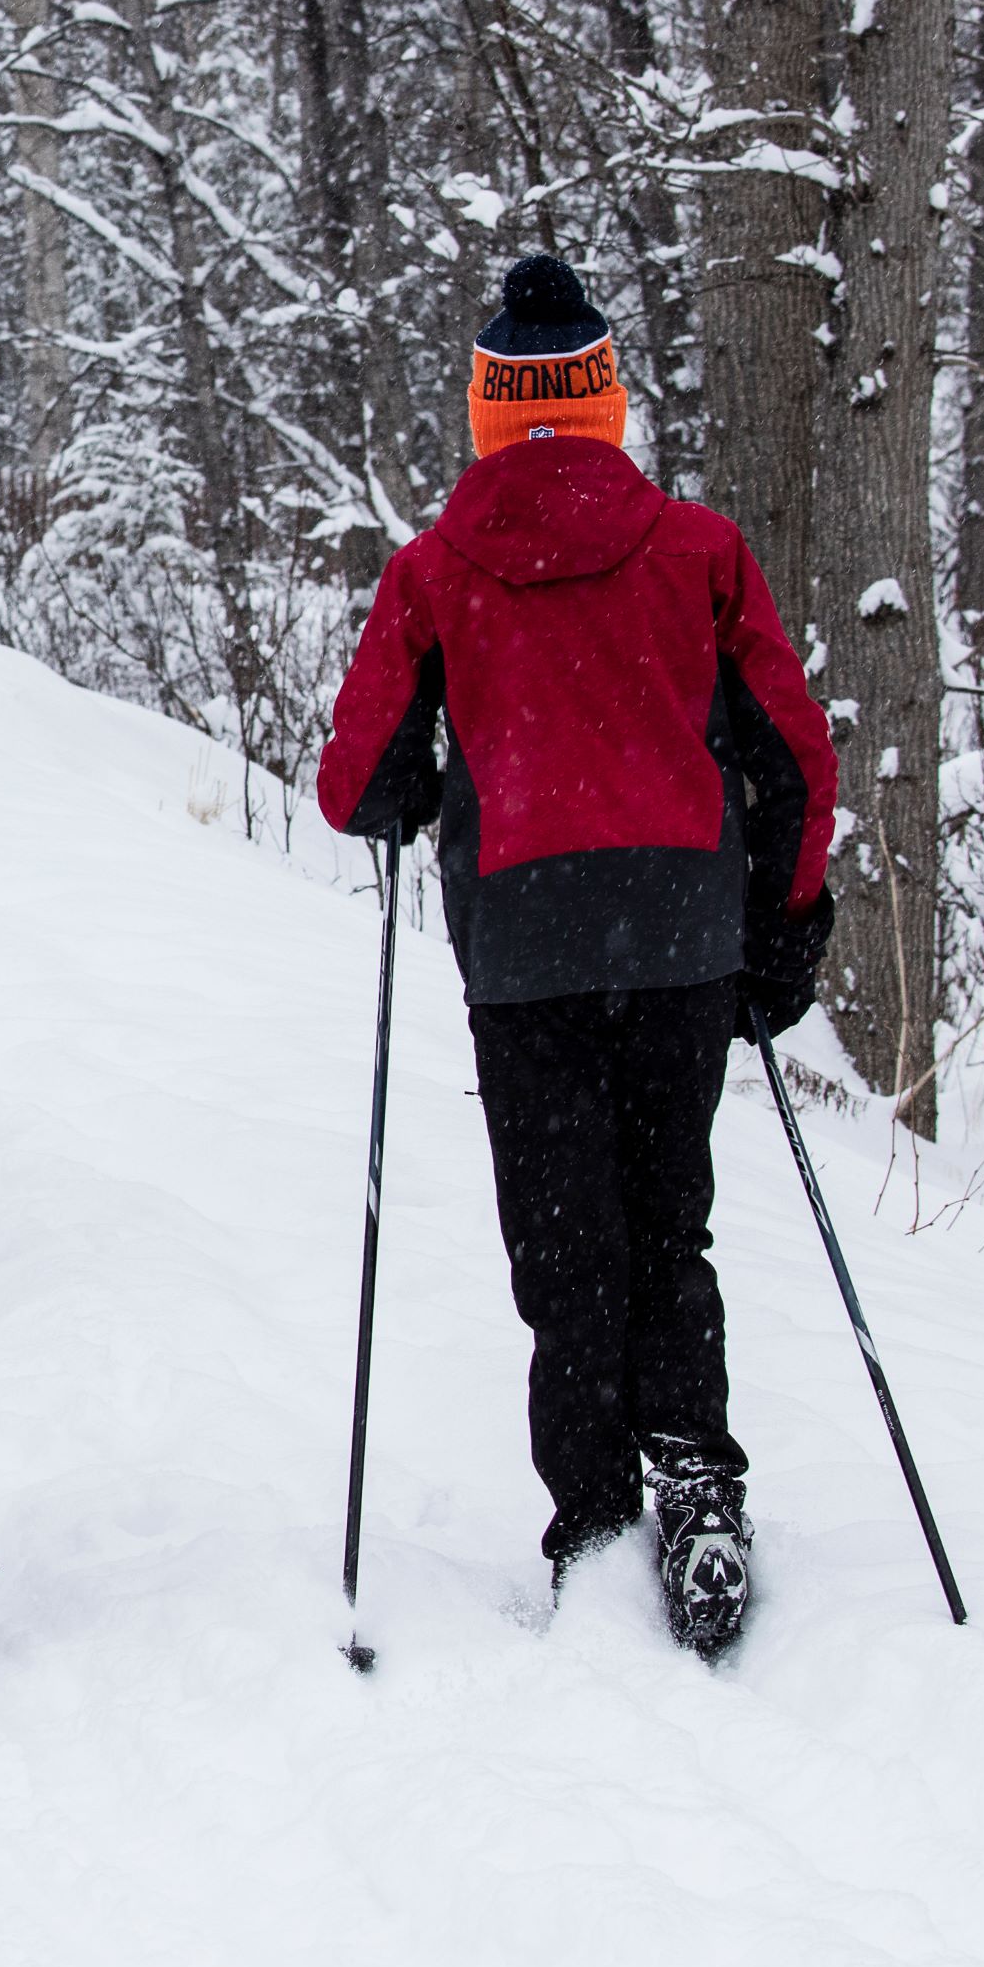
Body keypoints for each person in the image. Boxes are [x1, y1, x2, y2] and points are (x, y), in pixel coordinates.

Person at [309, 255, 838, 1660]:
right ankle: (696, 1475)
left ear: (491, 413)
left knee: (564, 1247)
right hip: (679, 935)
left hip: (529, 945)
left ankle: (595, 1519)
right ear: (606, 404)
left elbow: (353, 781)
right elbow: (794, 753)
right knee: (671, 1224)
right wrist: (787, 924)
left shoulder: (433, 573)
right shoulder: (699, 551)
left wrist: (419, 779)